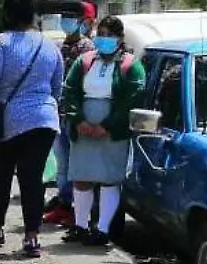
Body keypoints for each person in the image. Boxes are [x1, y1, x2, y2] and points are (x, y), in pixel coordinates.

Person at [0, 0, 65, 258]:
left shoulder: (0, 44)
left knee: (1, 177)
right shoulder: (50, 47)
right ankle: (31, 237)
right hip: (43, 121)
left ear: (7, 14)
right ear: (33, 15)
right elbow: (56, 88)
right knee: (33, 179)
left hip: (7, 121)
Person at [60, 15, 146, 247]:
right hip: (84, 126)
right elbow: (70, 90)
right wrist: (79, 120)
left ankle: (103, 229)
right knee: (81, 177)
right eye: (101, 35)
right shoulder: (85, 60)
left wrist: (107, 126)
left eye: (109, 35)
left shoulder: (130, 64)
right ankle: (80, 225)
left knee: (109, 179)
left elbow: (132, 98)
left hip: (112, 131)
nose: (104, 39)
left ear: (119, 38)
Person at [43, 1, 96, 228]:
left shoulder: (87, 48)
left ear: (80, 22)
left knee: (77, 165)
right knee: (62, 164)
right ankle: (64, 204)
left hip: (77, 115)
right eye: (62, 18)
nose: (66, 22)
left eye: (70, 18)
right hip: (58, 113)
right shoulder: (59, 47)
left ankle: (78, 210)